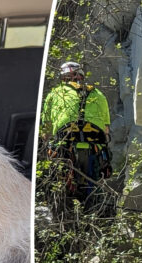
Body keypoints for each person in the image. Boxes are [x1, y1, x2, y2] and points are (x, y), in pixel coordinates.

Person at [41, 61, 112, 197]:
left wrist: (45, 143)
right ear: (82, 76)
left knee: (55, 167)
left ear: (63, 78)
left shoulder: (55, 93)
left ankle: (61, 194)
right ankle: (93, 197)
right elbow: (106, 129)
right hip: (94, 140)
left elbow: (46, 130)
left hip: (66, 138)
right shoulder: (98, 94)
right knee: (98, 168)